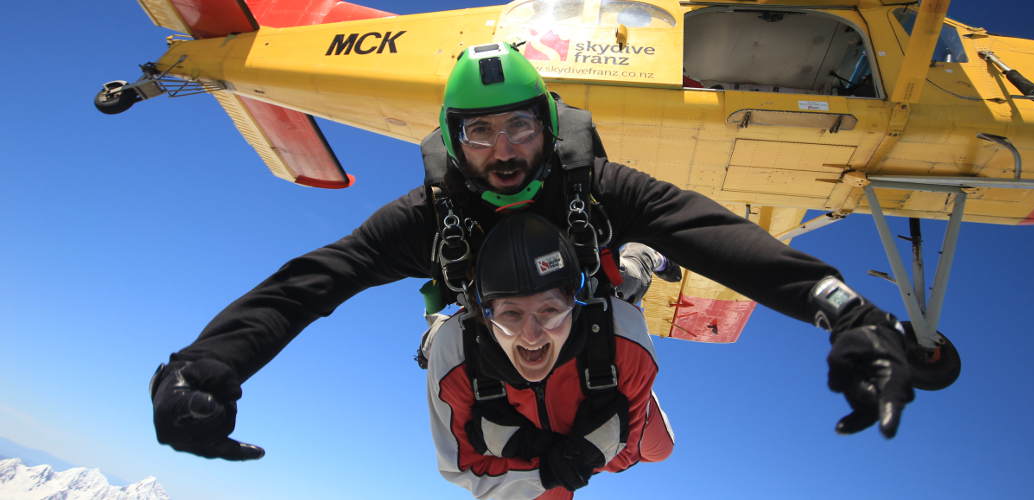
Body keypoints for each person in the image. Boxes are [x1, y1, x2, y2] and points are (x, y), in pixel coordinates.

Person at [149, 42, 915, 462]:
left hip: (589, 300)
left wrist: (843, 310)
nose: (503, 150)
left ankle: (637, 271)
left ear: (550, 126)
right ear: (453, 140)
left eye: (519, 127)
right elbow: (315, 281)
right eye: (478, 133)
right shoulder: (427, 218)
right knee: (470, 352)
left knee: (627, 285)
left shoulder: (598, 187)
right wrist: (206, 366)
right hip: (505, 317)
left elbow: (708, 231)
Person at [427, 212, 672, 499]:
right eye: (511, 314)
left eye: (550, 311)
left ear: (574, 304)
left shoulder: (623, 334)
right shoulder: (454, 349)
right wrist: (563, 465)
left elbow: (463, 467)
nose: (532, 337)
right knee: (660, 451)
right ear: (485, 315)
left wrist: (556, 465)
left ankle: (645, 256)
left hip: (605, 346)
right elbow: (465, 467)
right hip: (593, 448)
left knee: (625, 282)